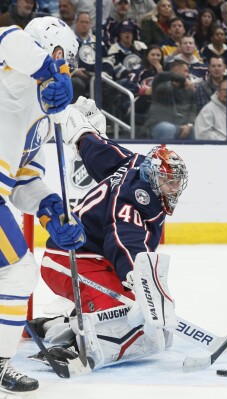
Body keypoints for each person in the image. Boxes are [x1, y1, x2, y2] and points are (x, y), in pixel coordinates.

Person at [29, 97, 189, 370]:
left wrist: (82, 133)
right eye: (167, 181)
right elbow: (123, 238)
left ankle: (56, 323)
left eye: (175, 182)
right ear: (152, 178)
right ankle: (68, 344)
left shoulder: (135, 163)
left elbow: (97, 150)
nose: (172, 188)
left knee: (149, 325)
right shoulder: (136, 199)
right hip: (66, 258)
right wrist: (138, 278)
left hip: (95, 258)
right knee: (126, 313)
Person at [0, 16, 83, 393]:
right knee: (18, 272)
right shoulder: (12, 74)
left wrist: (52, 211)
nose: (69, 72)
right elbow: (6, 37)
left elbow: (24, 178)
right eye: (64, 61)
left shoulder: (45, 116)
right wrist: (48, 71)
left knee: (16, 272)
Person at [145, 59, 197, 140]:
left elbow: (193, 110)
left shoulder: (189, 91)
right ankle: (165, 153)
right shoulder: (161, 86)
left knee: (192, 130)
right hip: (158, 124)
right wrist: (182, 80)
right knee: (169, 128)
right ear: (175, 71)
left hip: (181, 126)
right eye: (185, 71)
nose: (188, 74)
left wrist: (189, 125)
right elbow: (160, 76)